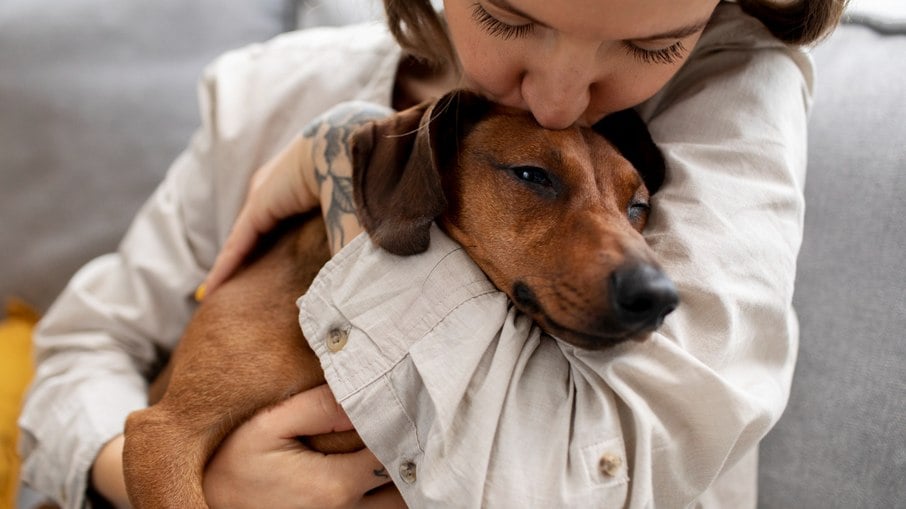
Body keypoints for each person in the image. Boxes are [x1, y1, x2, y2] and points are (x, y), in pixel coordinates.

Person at [18, 0, 847, 507]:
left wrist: (340, 158)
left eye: (653, 43)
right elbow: (88, 345)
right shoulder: (256, 96)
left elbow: (586, 482)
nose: (560, 102)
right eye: (509, 15)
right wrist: (166, 478)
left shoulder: (730, 108)